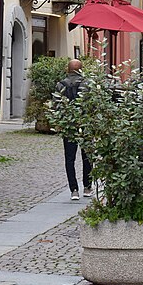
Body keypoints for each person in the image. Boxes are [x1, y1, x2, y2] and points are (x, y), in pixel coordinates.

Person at [56, 59, 92, 201]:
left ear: (68, 70)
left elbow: (57, 105)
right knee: (87, 156)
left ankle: (74, 190)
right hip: (85, 124)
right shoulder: (88, 84)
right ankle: (88, 187)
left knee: (69, 158)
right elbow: (92, 105)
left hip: (69, 125)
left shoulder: (60, 85)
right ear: (81, 70)